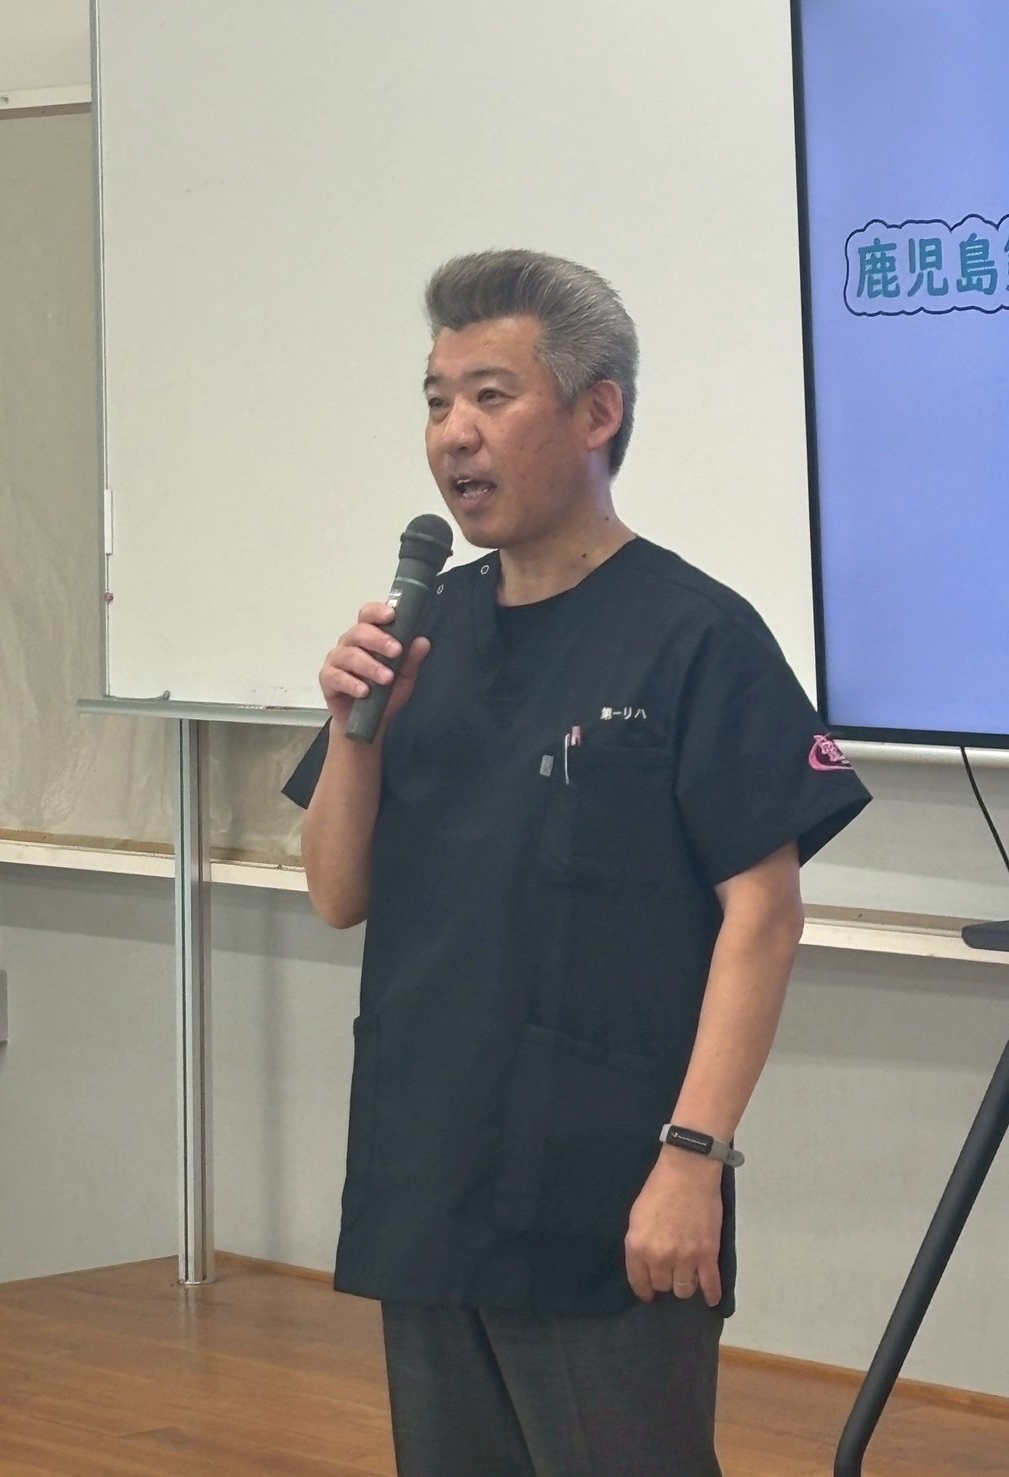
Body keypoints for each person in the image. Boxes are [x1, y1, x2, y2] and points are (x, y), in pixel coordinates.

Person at [284, 249, 871, 1477]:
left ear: (597, 412)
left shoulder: (694, 634)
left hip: (608, 1189)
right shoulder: (420, 632)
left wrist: (694, 1157)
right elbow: (337, 893)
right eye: (437, 400)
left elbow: (763, 917)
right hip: (431, 1172)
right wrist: (354, 734)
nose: (453, 432)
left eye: (490, 396)